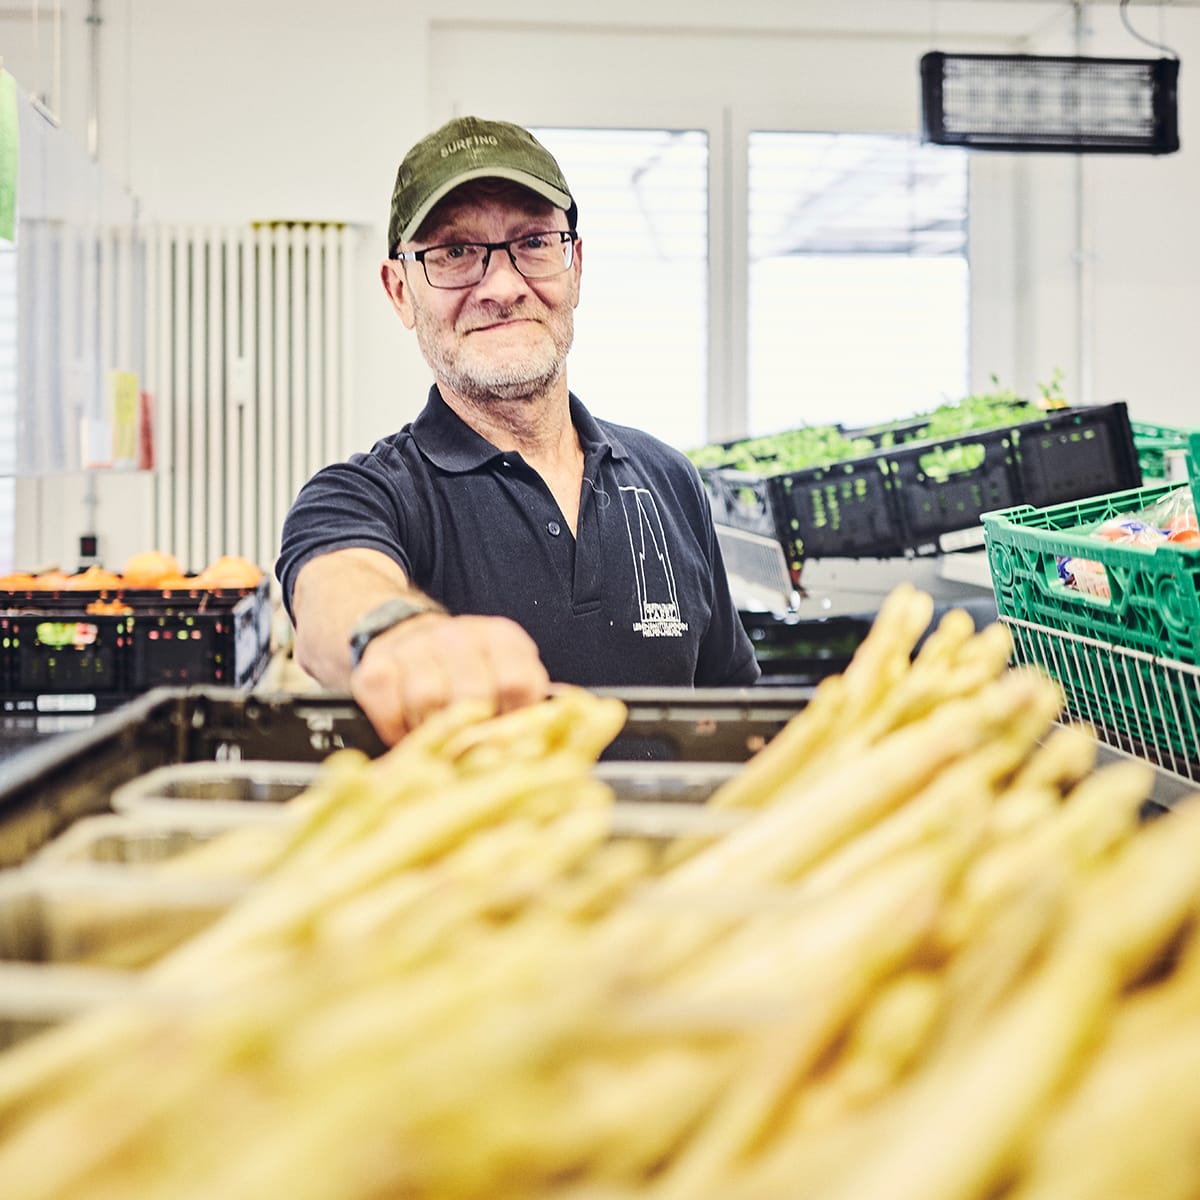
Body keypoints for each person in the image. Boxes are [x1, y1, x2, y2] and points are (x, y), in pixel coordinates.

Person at [275, 115, 759, 744]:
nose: (502, 286)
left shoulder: (669, 479)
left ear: (574, 266)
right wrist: (401, 634)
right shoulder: (367, 495)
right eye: (454, 253)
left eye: (533, 243)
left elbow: (733, 710)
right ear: (400, 291)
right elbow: (333, 594)